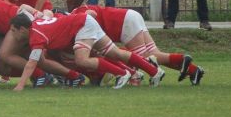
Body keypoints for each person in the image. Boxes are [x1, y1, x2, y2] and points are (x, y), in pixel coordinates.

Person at [9, 12, 165, 92]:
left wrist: (20, 85)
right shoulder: (36, 25)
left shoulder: (36, 36)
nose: (13, 35)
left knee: (81, 60)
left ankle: (121, 73)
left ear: (22, 29)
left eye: (13, 31)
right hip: (85, 21)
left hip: (82, 25)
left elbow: (31, 63)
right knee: (115, 53)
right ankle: (154, 71)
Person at [72, 4, 205, 85]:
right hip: (131, 16)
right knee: (154, 54)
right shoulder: (76, 11)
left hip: (124, 23)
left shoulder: (75, 14)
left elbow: (91, 14)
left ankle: (182, 59)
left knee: (143, 58)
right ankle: (194, 70)